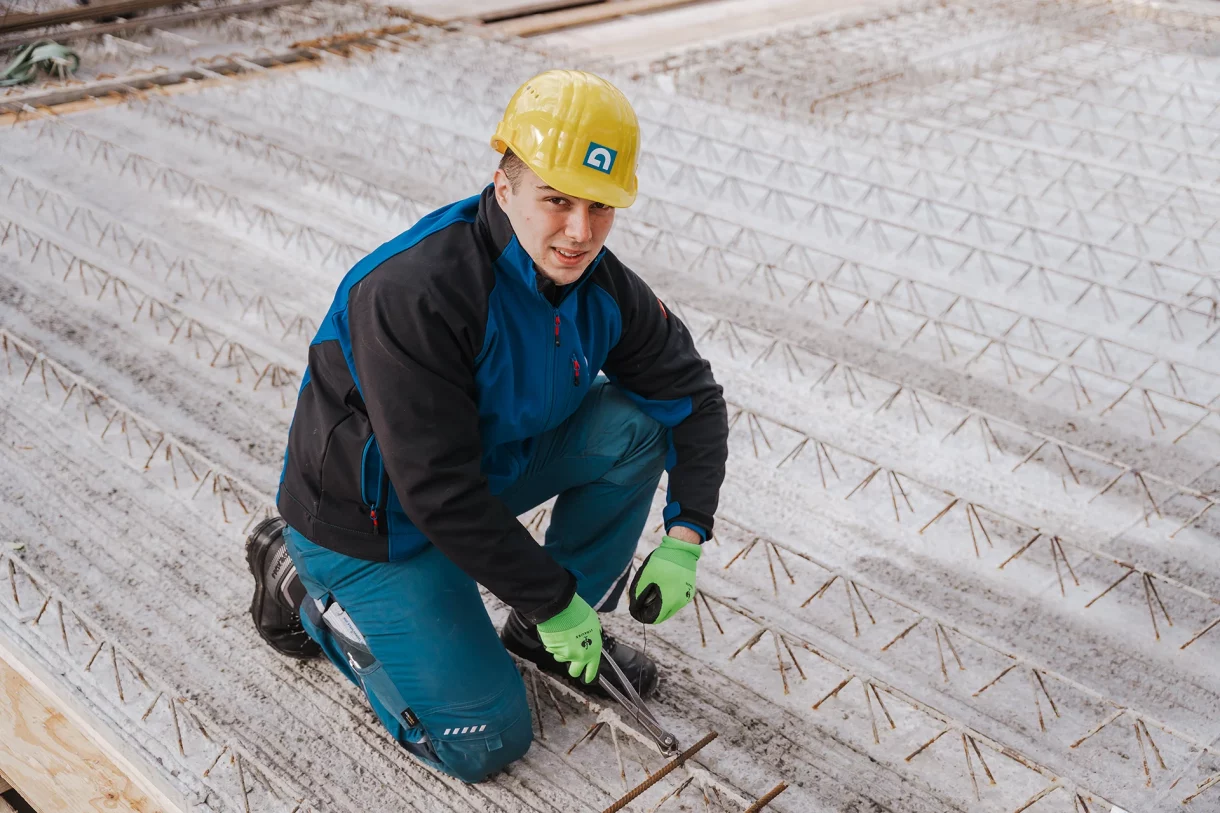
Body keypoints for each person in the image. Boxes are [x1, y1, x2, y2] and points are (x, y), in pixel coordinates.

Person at [244, 69, 728, 784]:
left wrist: (687, 533)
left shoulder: (599, 284)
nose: (579, 231)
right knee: (486, 740)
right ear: (505, 188)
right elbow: (437, 490)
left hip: (475, 473)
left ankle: (540, 632)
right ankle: (300, 582)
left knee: (635, 425)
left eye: (600, 207)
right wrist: (552, 592)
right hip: (375, 520)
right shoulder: (416, 292)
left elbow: (693, 394)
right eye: (556, 200)